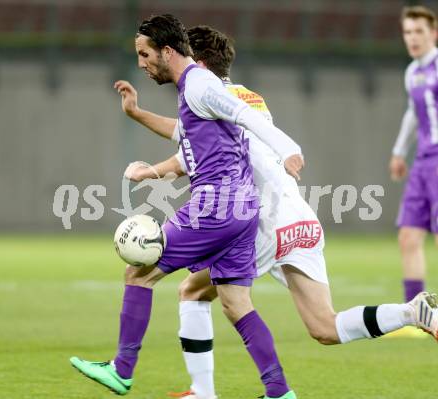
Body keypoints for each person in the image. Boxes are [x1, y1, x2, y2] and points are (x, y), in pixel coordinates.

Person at [116, 25, 438, 399]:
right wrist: (139, 116)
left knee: (192, 292)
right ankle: (412, 313)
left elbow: (187, 151)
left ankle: (209, 391)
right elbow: (185, 136)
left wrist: (148, 168)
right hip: (301, 217)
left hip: (263, 221)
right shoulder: (247, 98)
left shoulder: (205, 96)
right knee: (324, 327)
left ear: (197, 61)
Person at [70, 14, 303, 399]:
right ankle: (279, 390)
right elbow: (188, 134)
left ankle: (122, 369)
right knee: (235, 302)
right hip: (244, 207)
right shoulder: (194, 88)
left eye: (144, 54)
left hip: (215, 205)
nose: (141, 63)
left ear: (166, 51)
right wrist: (136, 115)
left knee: (138, 272)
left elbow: (245, 116)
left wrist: (289, 149)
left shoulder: (199, 84)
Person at [389, 5, 438, 337]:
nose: (413, 38)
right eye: (408, 32)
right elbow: (412, 112)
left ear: (433, 33)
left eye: (419, 31)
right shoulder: (412, 72)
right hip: (422, 162)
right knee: (408, 236)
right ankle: (416, 314)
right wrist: (398, 151)